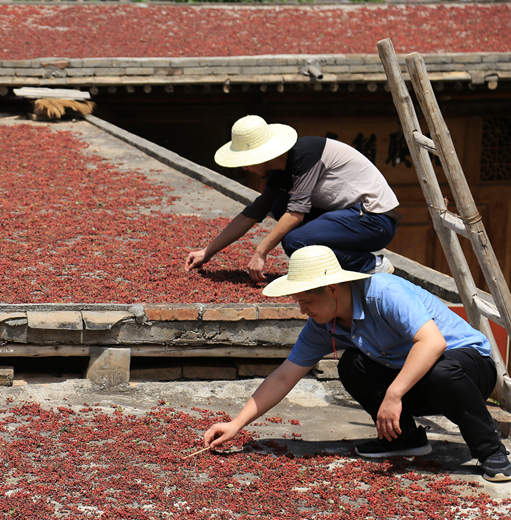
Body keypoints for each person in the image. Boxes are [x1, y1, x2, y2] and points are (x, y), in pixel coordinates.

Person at [202, 245, 511, 483]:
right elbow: (284, 377)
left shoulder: (384, 292)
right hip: (418, 381)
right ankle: (404, 439)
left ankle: (492, 451)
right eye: (299, 303)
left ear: (333, 290)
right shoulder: (324, 325)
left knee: (440, 371)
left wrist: (393, 395)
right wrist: (236, 424)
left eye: (307, 302)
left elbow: (433, 343)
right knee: (351, 364)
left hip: (469, 370)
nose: (303, 311)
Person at [185, 115, 402, 282]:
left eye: (246, 161)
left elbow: (296, 214)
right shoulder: (280, 172)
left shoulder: (306, 155)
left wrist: (260, 252)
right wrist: (207, 252)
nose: (245, 167)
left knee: (294, 241)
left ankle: (371, 265)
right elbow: (251, 213)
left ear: (262, 155)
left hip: (375, 221)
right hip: (351, 218)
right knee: (279, 205)